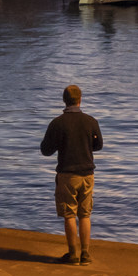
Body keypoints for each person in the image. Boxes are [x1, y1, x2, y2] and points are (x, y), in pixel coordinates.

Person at [39, 83, 102, 265]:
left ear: (64, 100)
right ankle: (86, 254)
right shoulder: (91, 121)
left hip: (67, 174)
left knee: (69, 214)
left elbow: (46, 150)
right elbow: (99, 145)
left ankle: (73, 254)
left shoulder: (57, 123)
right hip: (88, 174)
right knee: (85, 214)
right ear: (80, 100)